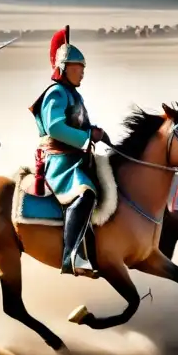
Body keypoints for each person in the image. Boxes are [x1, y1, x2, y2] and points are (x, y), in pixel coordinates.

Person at [29, 27, 108, 277]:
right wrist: (86, 137)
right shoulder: (56, 92)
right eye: (78, 66)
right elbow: (54, 127)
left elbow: (78, 124)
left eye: (83, 67)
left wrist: (94, 132)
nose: (83, 71)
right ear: (64, 68)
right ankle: (71, 256)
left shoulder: (73, 94)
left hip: (75, 158)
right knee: (85, 194)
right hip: (61, 161)